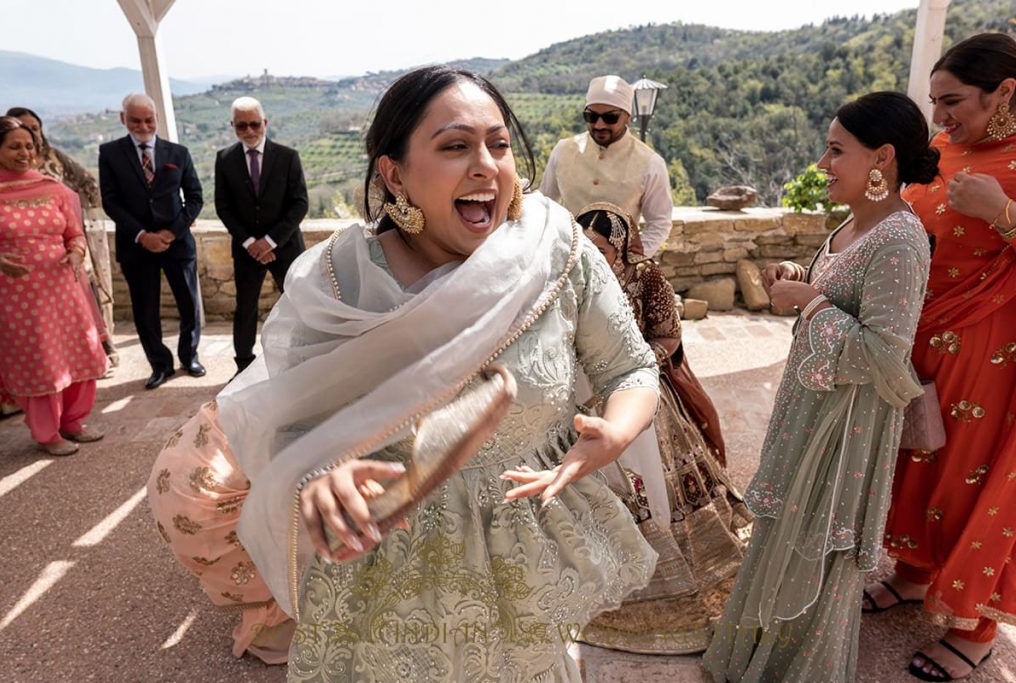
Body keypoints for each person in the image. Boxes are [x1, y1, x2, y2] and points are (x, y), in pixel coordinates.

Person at [148, 65, 661, 679]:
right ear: (393, 173)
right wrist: (320, 481)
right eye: (454, 146)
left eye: (498, 145)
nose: (486, 166)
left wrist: (618, 432)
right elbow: (293, 425)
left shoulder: (558, 252)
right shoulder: (339, 281)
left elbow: (631, 366)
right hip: (379, 577)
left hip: (522, 556)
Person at [701, 91, 938, 682]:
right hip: (811, 408)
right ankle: (762, 652)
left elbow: (886, 357)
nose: (822, 164)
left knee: (817, 541)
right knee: (788, 527)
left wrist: (811, 303)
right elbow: (841, 298)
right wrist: (801, 279)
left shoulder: (901, 242)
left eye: (836, 150)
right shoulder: (856, 220)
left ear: (882, 157)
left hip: (847, 425)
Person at [866, 33, 1016, 682]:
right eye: (934, 102)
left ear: (1006, 92)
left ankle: (975, 625)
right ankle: (914, 570)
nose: (942, 115)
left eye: (953, 101)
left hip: (990, 350)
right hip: (916, 337)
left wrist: (1005, 212)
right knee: (914, 459)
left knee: (966, 475)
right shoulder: (940, 150)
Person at [572, 202, 751, 654]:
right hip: (583, 398)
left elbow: (668, 337)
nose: (589, 256)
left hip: (641, 396)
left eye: (598, 248)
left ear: (619, 249)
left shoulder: (645, 277)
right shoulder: (571, 279)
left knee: (650, 484)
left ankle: (664, 567)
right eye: (582, 247)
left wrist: (632, 371)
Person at [0, 116, 107, 455]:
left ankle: (73, 421)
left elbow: (74, 232)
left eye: (29, 145)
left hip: (63, 289)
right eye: (14, 146)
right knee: (38, 360)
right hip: (14, 295)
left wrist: (75, 252)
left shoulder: (51, 188)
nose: (24, 152)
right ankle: (47, 433)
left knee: (78, 351)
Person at [99, 93, 205, 390]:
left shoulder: (178, 153)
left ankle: (190, 356)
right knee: (145, 310)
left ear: (156, 119)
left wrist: (172, 232)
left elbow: (195, 198)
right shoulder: (110, 153)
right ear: (124, 120)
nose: (143, 125)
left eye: (149, 119)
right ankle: (160, 365)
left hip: (178, 243)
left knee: (189, 304)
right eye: (136, 120)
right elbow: (111, 201)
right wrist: (142, 236)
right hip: (136, 246)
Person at [6, 106, 119, 368]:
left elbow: (88, 184)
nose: (31, 137)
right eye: (22, 131)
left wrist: (80, 225)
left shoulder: (54, 158)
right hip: (17, 263)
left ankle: (93, 353)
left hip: (64, 250)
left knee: (81, 302)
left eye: (34, 129)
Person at [215, 96, 309, 374]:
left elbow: (300, 203)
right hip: (246, 251)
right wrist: (250, 243)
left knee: (297, 304)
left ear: (265, 123)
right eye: (241, 126)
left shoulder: (288, 157)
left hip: (286, 246)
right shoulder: (224, 159)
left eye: (254, 124)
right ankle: (243, 365)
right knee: (245, 307)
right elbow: (223, 206)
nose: (249, 131)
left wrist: (269, 242)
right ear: (233, 126)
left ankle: (300, 358)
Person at [540, 75, 674, 258]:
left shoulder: (651, 163)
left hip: (617, 274)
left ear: (627, 117)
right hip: (565, 263)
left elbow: (660, 224)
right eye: (591, 116)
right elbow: (544, 206)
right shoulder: (563, 150)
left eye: (610, 118)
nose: (599, 124)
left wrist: (629, 262)